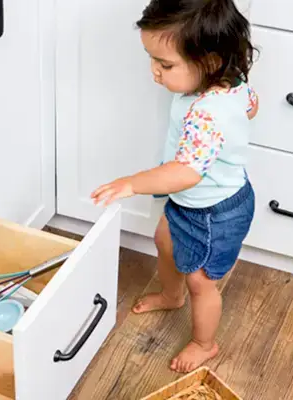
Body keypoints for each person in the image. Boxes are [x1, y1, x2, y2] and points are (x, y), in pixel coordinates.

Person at [91, 0, 259, 373]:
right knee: (164, 240)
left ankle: (204, 343)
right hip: (192, 202)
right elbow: (251, 106)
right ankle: (171, 294)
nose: (154, 72)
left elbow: (186, 172)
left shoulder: (205, 113)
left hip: (216, 213)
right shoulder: (233, 83)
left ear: (211, 62)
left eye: (165, 65)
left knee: (200, 280)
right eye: (152, 60)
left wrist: (132, 183)